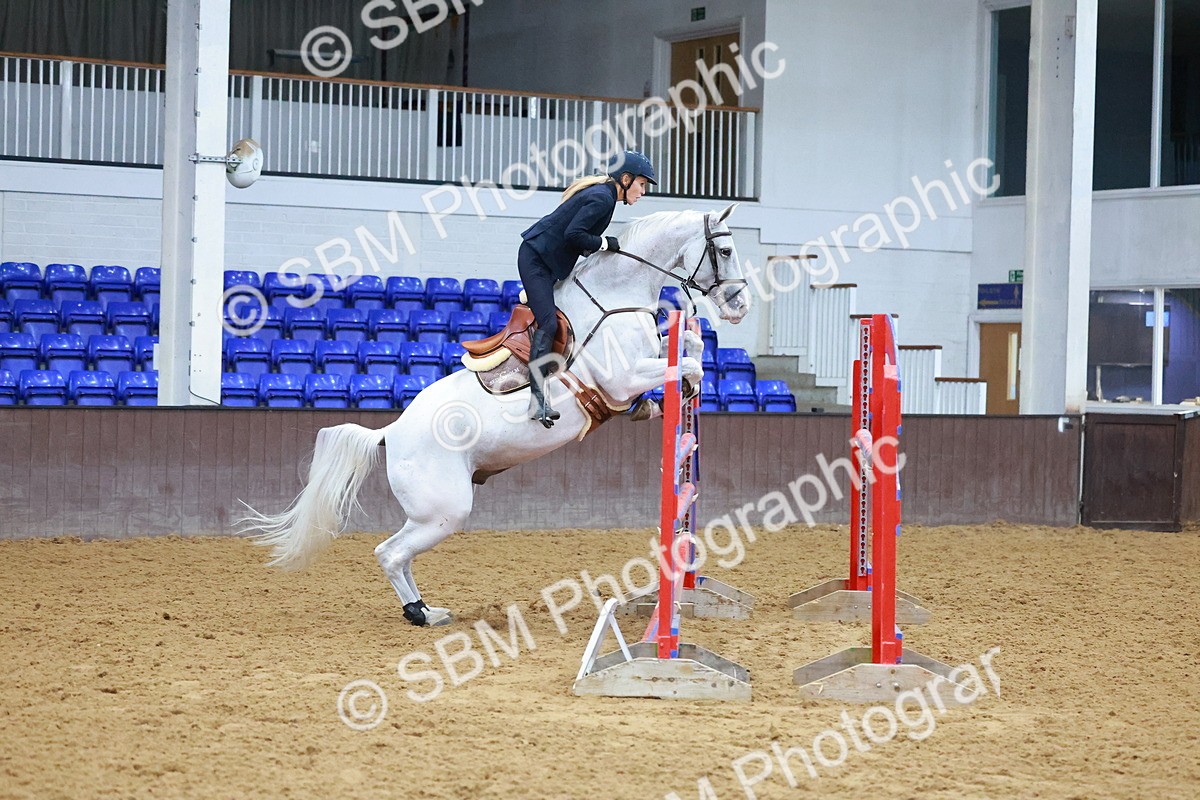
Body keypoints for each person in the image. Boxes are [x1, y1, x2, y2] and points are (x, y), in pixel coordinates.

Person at [516, 150, 658, 427]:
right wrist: (606, 243)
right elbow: (574, 235)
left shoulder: (607, 197)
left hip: (550, 262)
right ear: (626, 179)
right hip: (536, 260)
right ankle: (536, 399)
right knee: (549, 324)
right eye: (642, 185)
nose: (643, 192)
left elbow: (578, 242)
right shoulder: (602, 198)